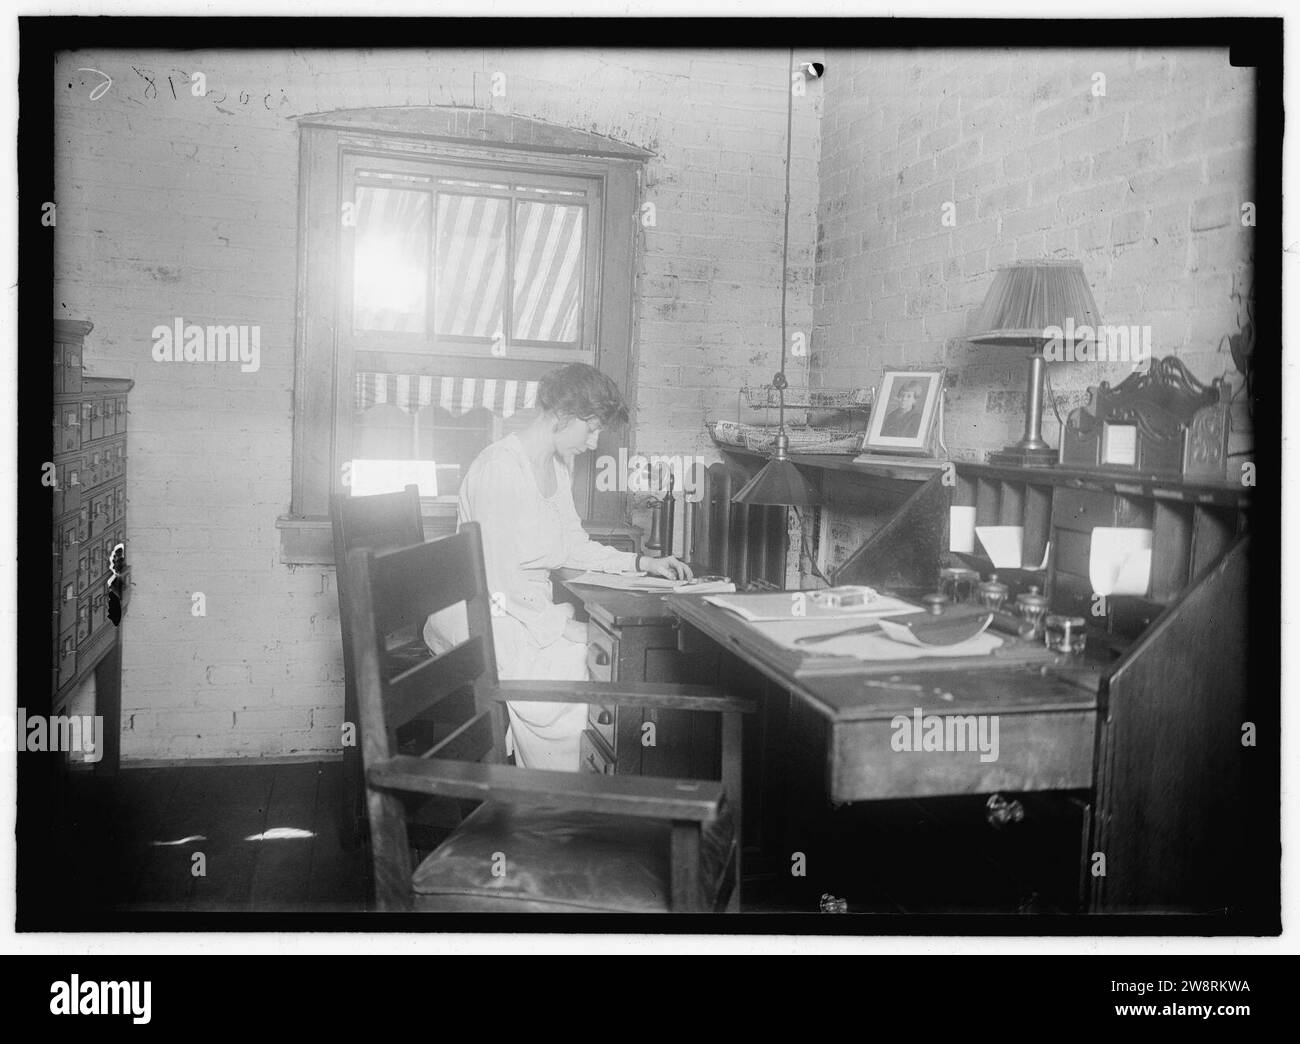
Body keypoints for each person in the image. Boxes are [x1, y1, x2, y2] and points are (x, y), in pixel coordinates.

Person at [424, 363, 691, 772]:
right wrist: (561, 626)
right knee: (588, 663)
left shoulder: (558, 469)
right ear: (562, 416)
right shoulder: (500, 469)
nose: (594, 441)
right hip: (484, 613)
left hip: (524, 610)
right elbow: (499, 581)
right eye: (591, 428)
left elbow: (573, 547)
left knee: (600, 657)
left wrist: (642, 562)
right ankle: (555, 807)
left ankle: (583, 794)